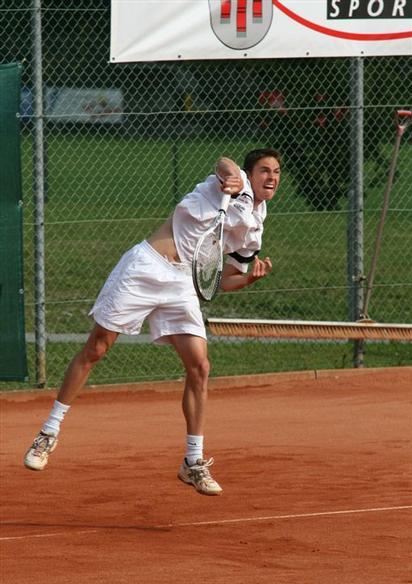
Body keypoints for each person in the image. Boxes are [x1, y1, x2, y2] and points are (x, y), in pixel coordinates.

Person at [24, 148, 281, 495]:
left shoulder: (254, 229)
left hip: (182, 283)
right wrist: (232, 177)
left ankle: (193, 461)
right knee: (97, 348)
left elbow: (219, 280)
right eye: (264, 170)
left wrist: (248, 279)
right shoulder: (227, 185)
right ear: (250, 175)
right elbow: (224, 162)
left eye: (276, 172)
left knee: (200, 366)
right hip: (146, 266)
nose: (271, 177)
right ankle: (48, 433)